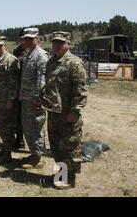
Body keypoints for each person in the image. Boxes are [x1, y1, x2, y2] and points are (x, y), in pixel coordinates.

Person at [42, 31, 88, 189]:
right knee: (56, 146)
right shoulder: (51, 62)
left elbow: (80, 91)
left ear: (68, 44)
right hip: (54, 112)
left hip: (68, 114)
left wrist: (74, 112)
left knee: (69, 147)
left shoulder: (74, 63)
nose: (57, 45)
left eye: (61, 43)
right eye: (55, 42)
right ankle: (60, 174)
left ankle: (70, 179)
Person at [19, 27, 50, 169]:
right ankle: (34, 153)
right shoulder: (28, 55)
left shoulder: (41, 56)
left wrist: (38, 100)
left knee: (36, 128)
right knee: (28, 127)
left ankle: (38, 158)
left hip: (34, 101)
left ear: (37, 39)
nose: (28, 41)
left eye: (31, 39)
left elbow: (42, 80)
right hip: (26, 99)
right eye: (26, 39)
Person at [0, 36, 20, 164]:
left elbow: (14, 83)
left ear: (4, 45)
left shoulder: (10, 60)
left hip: (6, 101)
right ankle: (5, 149)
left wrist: (10, 100)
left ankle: (7, 155)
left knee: (6, 127)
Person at [12, 28, 27, 150]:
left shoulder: (32, 50)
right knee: (17, 114)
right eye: (21, 38)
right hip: (17, 86)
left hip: (29, 87)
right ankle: (19, 138)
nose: (22, 40)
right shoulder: (16, 51)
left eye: (25, 38)